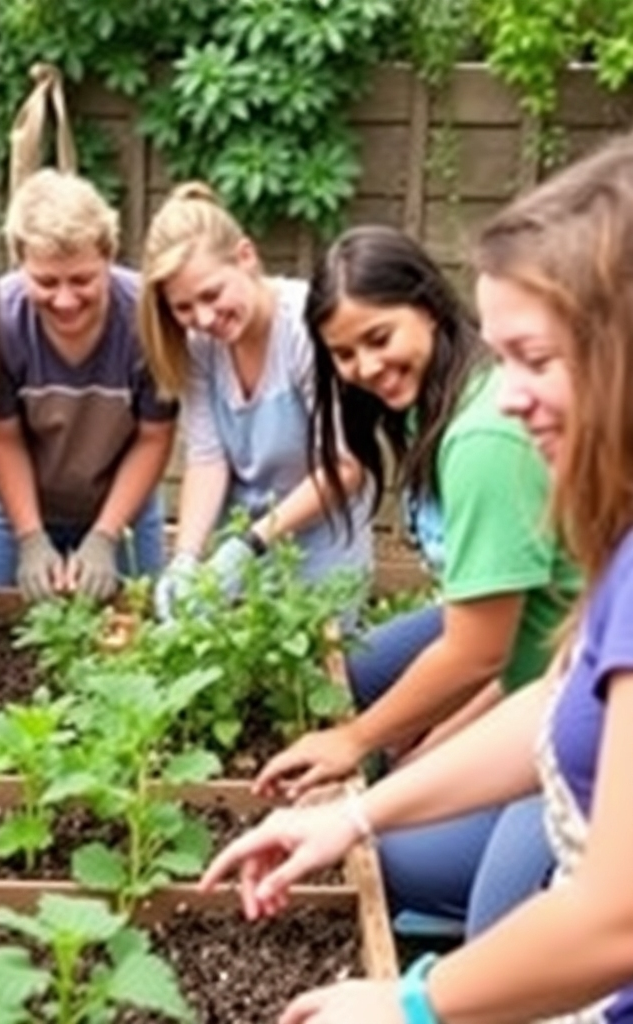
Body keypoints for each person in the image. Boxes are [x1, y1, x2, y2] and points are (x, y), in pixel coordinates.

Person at [200, 135, 633, 1024]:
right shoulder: (615, 545)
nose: (509, 396)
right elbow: (554, 698)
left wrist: (413, 1004)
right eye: (504, 358)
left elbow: (609, 923)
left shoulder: (483, 443)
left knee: (494, 932)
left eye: (538, 359)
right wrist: (353, 816)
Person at [245, 224, 580, 937]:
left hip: (567, 700)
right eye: (343, 353)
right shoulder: (431, 410)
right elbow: (492, 630)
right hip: (536, 663)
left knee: (446, 894)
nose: (365, 365)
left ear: (428, 307)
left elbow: (484, 653)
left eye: (379, 336)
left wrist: (366, 747)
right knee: (353, 672)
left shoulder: (487, 435)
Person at [138, 182, 372, 617]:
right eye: (183, 308)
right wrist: (187, 557)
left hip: (321, 537)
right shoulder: (199, 345)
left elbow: (345, 465)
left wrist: (251, 545)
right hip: (244, 534)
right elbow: (208, 457)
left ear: (245, 257)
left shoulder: (306, 329)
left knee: (315, 668)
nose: (203, 319)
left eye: (211, 295)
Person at [0, 168, 178, 602]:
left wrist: (105, 535)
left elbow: (154, 437)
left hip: (123, 509)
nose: (65, 300)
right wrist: (29, 537)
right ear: (20, 264)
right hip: (18, 509)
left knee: (137, 638)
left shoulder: (148, 321)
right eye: (46, 282)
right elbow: (2, 439)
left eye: (82, 280)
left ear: (109, 256)